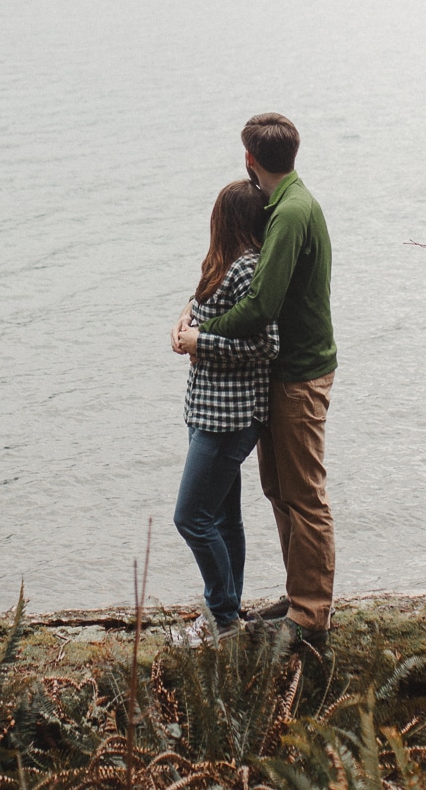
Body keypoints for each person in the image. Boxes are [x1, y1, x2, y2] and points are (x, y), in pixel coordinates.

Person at [176, 112, 335, 655]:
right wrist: (195, 315)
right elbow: (232, 283)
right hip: (284, 371)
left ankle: (311, 614)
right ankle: (297, 598)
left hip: (299, 371)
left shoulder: (290, 212)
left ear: (250, 158)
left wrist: (200, 335)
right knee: (279, 491)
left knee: (304, 495)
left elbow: (260, 305)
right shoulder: (284, 205)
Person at [168, 179, 279, 647]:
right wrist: (182, 322)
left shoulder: (249, 270)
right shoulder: (222, 265)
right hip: (207, 413)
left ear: (226, 219)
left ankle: (221, 618)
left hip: (229, 420)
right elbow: (201, 310)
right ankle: (228, 615)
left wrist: (200, 342)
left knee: (191, 517)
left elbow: (265, 345)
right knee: (223, 519)